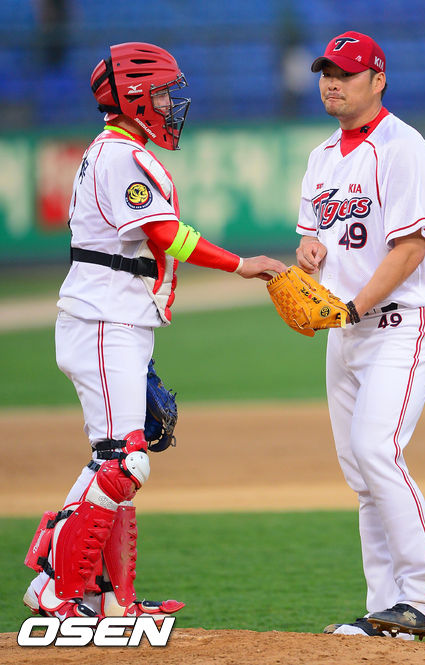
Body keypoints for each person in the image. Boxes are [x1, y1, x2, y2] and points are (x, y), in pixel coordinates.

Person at [23, 42, 286, 621]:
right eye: (162, 93)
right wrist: (241, 264)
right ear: (135, 96)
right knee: (124, 463)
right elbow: (165, 234)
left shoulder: (117, 152)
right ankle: (54, 586)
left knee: (116, 460)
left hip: (117, 317)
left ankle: (111, 599)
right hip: (103, 318)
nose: (170, 104)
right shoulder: (120, 156)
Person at [295, 32, 425, 640]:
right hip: (348, 331)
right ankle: (389, 611)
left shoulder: (404, 148)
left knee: (377, 450)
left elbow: (409, 250)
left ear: (378, 80)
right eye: (326, 73)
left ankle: (423, 600)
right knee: (362, 473)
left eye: (346, 73)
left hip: (402, 324)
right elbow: (315, 239)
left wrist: (352, 307)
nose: (331, 83)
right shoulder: (321, 156)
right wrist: (309, 253)